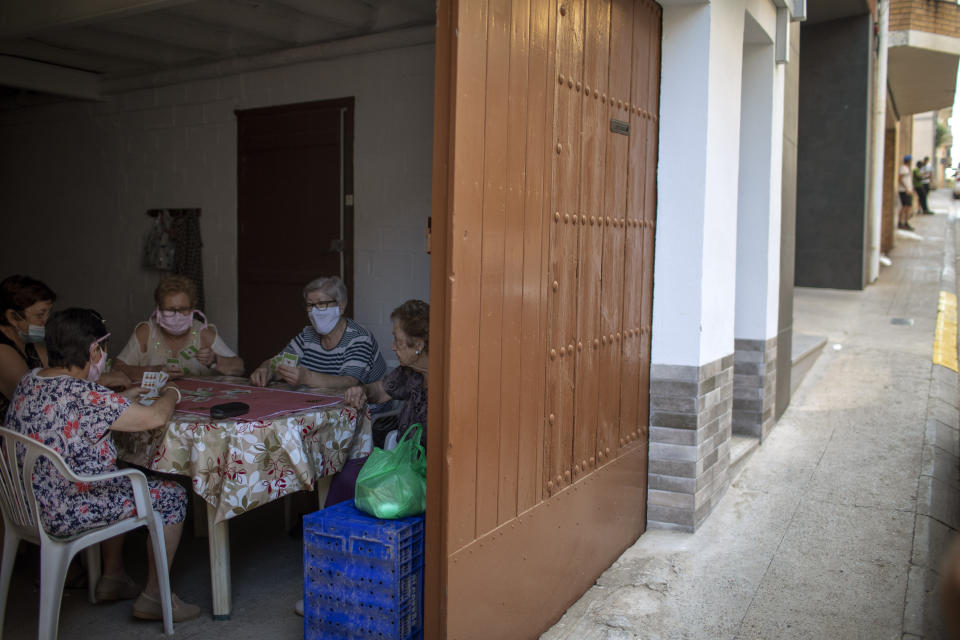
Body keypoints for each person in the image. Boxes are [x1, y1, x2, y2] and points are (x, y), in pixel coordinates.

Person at [4, 308, 200, 621]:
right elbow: (156, 417)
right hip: (67, 508)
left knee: (119, 474)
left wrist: (126, 396)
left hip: (26, 503)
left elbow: (81, 407)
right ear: (94, 349)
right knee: (171, 494)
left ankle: (114, 577)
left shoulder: (31, 380)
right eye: (103, 350)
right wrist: (172, 393)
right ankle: (154, 597)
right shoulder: (86, 395)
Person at [1, 275, 131, 419]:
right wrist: (101, 380)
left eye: (48, 313)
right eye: (40, 315)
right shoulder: (3, 352)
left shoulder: (30, 346)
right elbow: (42, 393)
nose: (46, 321)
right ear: (13, 317)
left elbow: (63, 370)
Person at [249, 276, 386, 390]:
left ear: (341, 306)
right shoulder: (307, 335)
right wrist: (265, 370)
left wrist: (307, 378)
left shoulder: (358, 337)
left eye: (321, 304)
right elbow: (280, 362)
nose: (314, 311)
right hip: (320, 407)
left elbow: (349, 382)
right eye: (310, 305)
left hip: (364, 415)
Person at [114, 275, 244, 381]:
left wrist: (215, 360)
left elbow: (239, 367)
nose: (177, 315)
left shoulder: (203, 333)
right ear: (158, 310)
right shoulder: (146, 332)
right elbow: (117, 368)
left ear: (193, 309)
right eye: (170, 310)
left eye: (183, 309)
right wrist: (154, 371)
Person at [344, 299, 429, 448]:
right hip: (405, 461)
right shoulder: (409, 372)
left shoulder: (447, 382)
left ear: (419, 345)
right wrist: (362, 390)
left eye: (398, 341)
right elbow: (380, 391)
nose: (393, 347)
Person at [898, 155, 915, 231]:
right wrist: (906, 189)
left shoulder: (907, 169)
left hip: (908, 190)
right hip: (904, 191)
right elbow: (900, 179)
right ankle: (902, 222)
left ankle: (905, 222)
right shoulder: (903, 168)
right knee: (905, 207)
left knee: (908, 207)